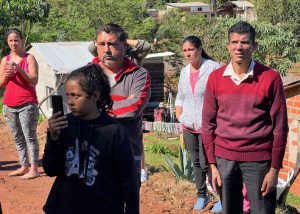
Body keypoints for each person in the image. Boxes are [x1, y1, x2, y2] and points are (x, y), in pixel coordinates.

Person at [202, 21, 288, 214]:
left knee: (262, 211)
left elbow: (280, 127)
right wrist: (212, 166)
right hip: (224, 160)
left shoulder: (270, 77)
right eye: (234, 42)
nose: (238, 47)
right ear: (228, 46)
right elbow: (207, 124)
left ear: (254, 46)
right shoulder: (215, 78)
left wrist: (274, 169)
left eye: (244, 42)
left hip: (259, 161)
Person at [42, 64, 139, 214]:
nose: (70, 101)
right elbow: (50, 169)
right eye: (68, 95)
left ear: (95, 95)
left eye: (76, 95)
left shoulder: (114, 132)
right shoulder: (64, 125)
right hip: (64, 207)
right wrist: (53, 139)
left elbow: (129, 180)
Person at [91, 23, 151, 178]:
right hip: (93, 153)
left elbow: (133, 109)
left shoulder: (138, 75)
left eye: (112, 44)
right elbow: (78, 109)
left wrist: (95, 111)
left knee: (127, 201)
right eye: (102, 44)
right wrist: (123, 103)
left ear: (124, 45)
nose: (106, 50)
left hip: (128, 153)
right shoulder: (87, 74)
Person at [175, 36, 221, 212]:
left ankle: (222, 196)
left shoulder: (213, 68)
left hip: (208, 126)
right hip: (189, 125)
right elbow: (180, 96)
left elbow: (221, 94)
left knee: (209, 162)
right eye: (185, 50)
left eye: (191, 49)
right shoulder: (184, 72)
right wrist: (180, 115)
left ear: (200, 49)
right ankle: (202, 195)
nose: (188, 54)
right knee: (195, 162)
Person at [0, 28, 40, 179]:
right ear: (7, 42)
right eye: (10, 41)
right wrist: (7, 74)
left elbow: (34, 80)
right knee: (17, 136)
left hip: (27, 103)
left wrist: (18, 69)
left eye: (16, 40)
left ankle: (34, 169)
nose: (13, 43)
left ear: (22, 41)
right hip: (9, 104)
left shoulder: (29, 58)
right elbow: (1, 84)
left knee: (30, 136)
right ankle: (24, 166)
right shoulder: (5, 60)